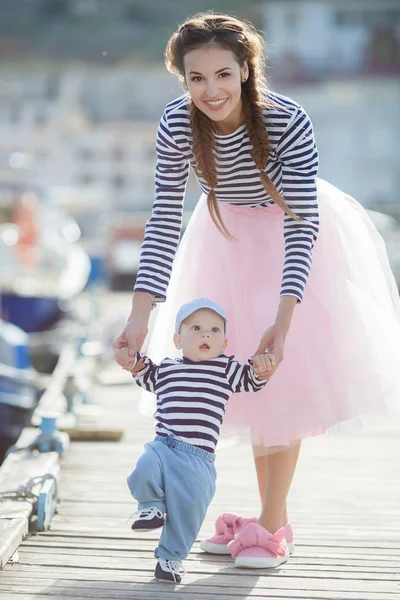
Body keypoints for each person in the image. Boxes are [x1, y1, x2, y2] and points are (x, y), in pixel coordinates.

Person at [113, 13, 400, 570]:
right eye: (197, 79)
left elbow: (301, 222)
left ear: (246, 70)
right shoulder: (177, 123)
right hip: (223, 237)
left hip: (295, 238)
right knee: (236, 380)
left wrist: (285, 316)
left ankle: (272, 523)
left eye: (224, 74)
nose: (211, 90)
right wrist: (138, 316)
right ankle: (270, 517)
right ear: (182, 81)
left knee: (280, 379)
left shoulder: (287, 119)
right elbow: (164, 218)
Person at [115, 297, 273, 583]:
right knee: (143, 468)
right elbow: (140, 368)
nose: (205, 335)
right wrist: (128, 359)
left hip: (199, 459)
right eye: (196, 328)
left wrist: (262, 366)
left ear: (224, 343)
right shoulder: (166, 369)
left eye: (214, 331)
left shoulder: (226, 370)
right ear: (177, 339)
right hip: (165, 446)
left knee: (188, 513)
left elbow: (252, 379)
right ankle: (150, 506)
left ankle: (170, 559)